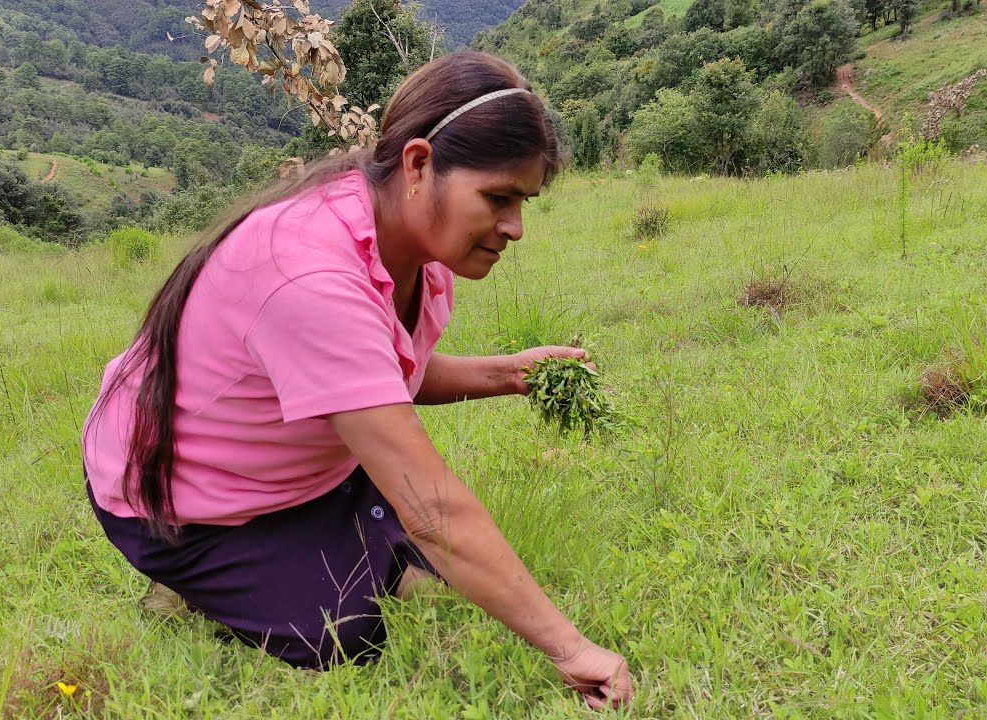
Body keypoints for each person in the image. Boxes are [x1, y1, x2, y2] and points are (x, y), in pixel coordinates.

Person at [81, 51, 633, 710]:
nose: (515, 227)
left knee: (432, 573)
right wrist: (571, 649)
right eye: (500, 198)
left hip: (293, 460)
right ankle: (185, 586)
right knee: (348, 631)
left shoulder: (413, 251)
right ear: (420, 164)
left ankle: (339, 535)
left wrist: (513, 373)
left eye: (524, 202)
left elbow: (380, 374)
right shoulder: (312, 276)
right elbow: (433, 508)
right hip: (184, 502)